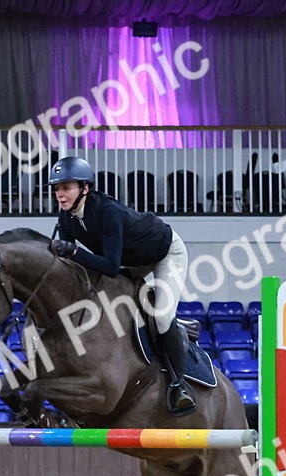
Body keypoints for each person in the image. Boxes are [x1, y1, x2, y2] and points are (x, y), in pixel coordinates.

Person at [47, 156, 196, 416]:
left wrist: (73, 253)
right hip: (131, 260)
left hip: (164, 253)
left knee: (161, 317)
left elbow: (110, 267)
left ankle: (178, 385)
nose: (60, 194)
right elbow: (70, 266)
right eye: (57, 188)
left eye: (66, 187)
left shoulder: (108, 212)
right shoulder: (66, 217)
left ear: (85, 188)